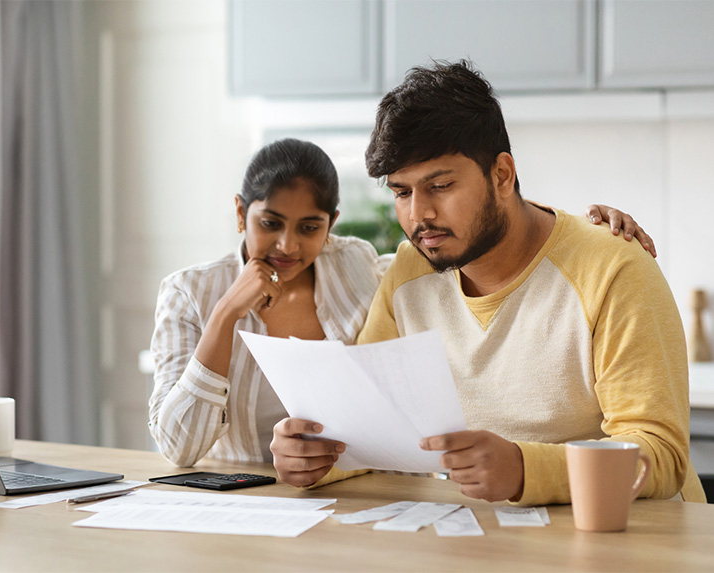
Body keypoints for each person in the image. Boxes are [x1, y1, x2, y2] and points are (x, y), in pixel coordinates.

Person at [270, 61, 706, 505]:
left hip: (635, 540)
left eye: (439, 185)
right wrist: (315, 458)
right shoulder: (409, 272)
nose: (418, 215)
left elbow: (661, 455)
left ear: (502, 174)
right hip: (493, 538)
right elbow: (374, 426)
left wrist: (524, 469)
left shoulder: (613, 269)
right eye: (402, 193)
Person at [149, 137, 654, 469]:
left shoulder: (358, 266)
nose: (287, 246)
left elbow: (458, 241)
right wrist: (224, 316)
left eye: (309, 228)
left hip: (343, 501)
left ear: (332, 225)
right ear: (241, 213)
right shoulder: (190, 294)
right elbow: (177, 448)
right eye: (269, 223)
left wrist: (587, 230)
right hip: (235, 501)